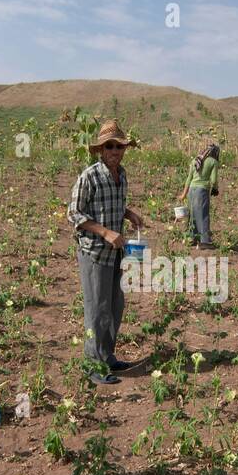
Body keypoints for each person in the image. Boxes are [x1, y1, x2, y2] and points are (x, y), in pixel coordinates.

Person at [66, 119, 147, 385]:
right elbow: (74, 213)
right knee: (97, 310)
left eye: (119, 146)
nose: (114, 151)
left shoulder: (121, 174)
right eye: (109, 146)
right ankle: (93, 365)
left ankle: (107, 355)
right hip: (95, 252)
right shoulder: (89, 176)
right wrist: (105, 232)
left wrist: (129, 213)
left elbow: (114, 204)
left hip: (117, 252)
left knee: (115, 307)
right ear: (101, 150)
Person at [179, 142, 219, 248]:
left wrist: (183, 194)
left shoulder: (195, 160)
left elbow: (189, 178)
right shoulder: (213, 162)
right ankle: (205, 242)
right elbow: (214, 180)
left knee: (192, 214)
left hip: (191, 190)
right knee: (203, 215)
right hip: (202, 191)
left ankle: (191, 238)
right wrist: (215, 188)